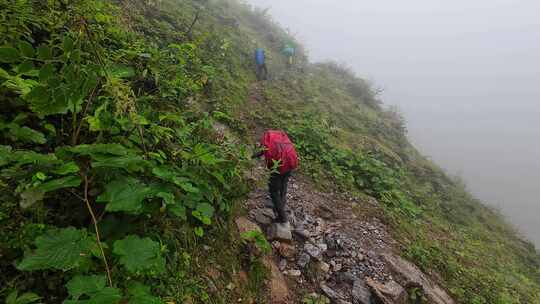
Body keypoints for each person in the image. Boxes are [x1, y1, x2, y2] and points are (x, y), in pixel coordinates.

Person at [253, 130, 299, 224]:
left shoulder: (269, 140)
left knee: (273, 190)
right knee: (283, 186)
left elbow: (265, 150)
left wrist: (252, 156)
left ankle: (282, 217)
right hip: (289, 163)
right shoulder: (280, 138)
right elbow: (266, 150)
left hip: (279, 166)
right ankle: (280, 208)